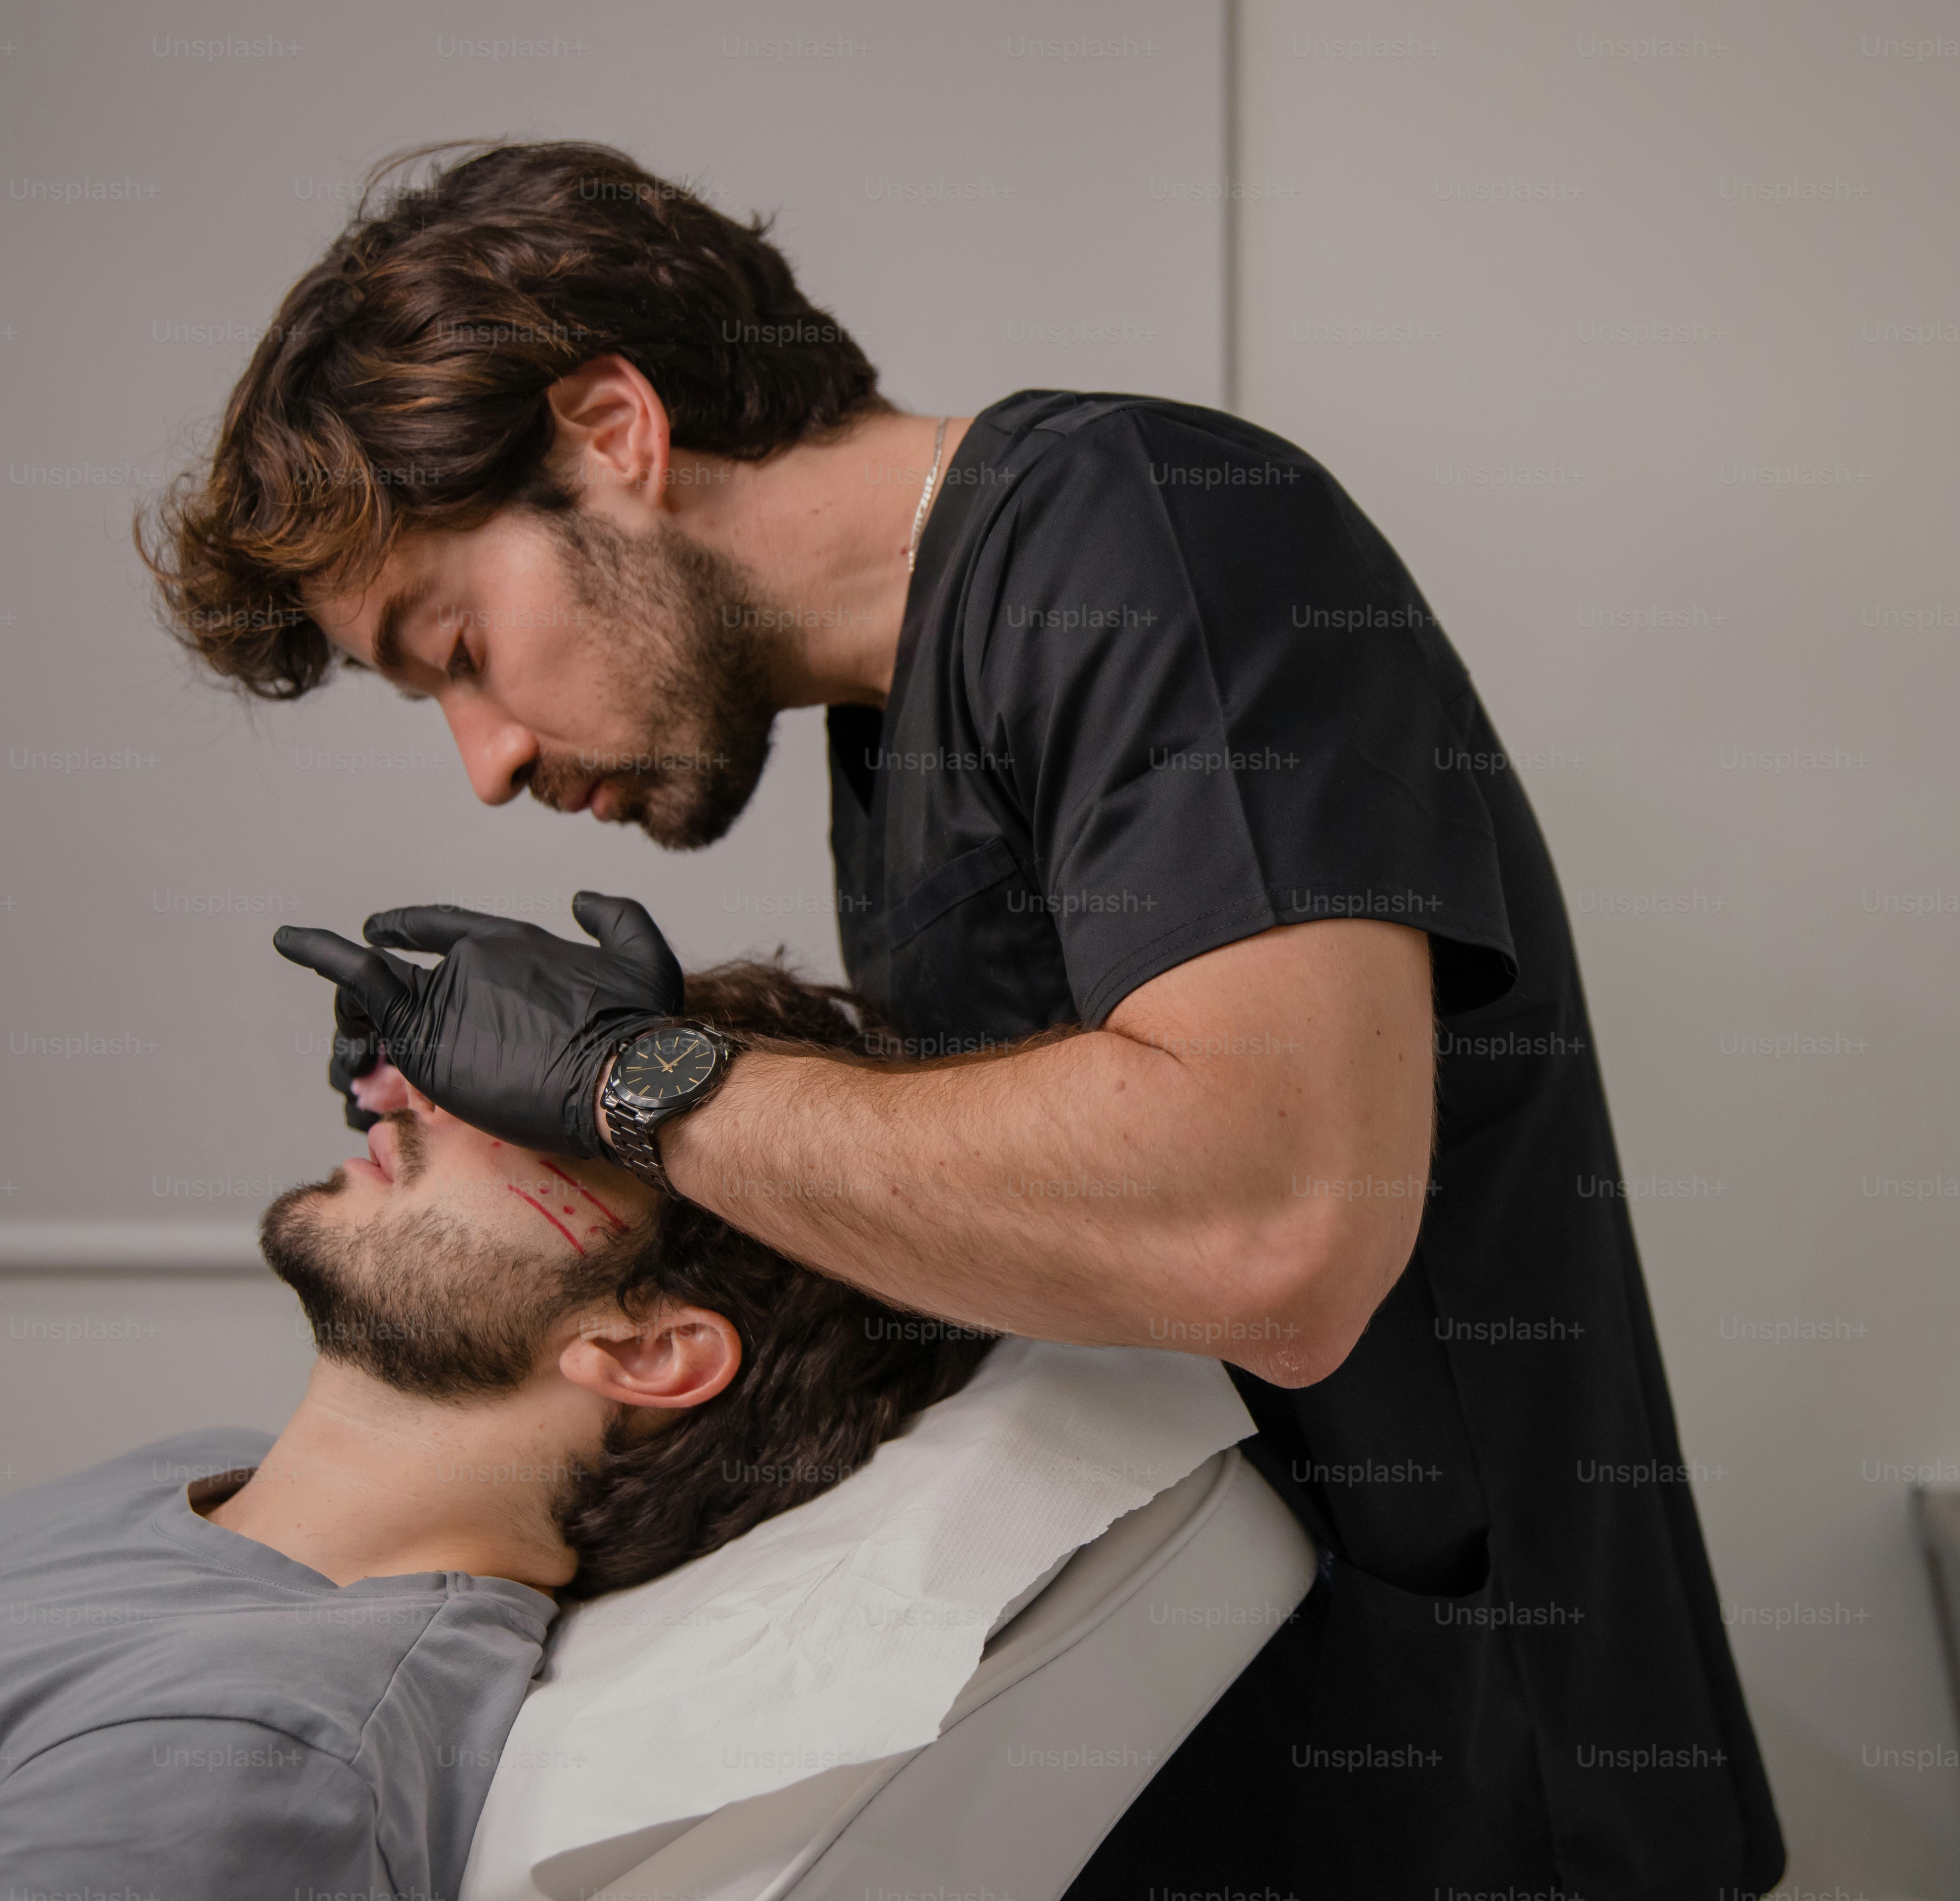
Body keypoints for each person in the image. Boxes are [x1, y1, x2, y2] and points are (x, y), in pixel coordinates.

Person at [145, 140, 1785, 1899]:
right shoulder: (887, 731)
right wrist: (581, 1106)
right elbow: (1040, 1193)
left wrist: (643, 1080)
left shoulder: (1158, 534)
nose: (487, 764)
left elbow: (1270, 1229)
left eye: (458, 649)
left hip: (1496, 1788)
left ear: (613, 430)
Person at [0, 959, 989, 1901]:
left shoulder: (255, 1748)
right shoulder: (190, 1474)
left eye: (548, 1112)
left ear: (647, 1350)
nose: (405, 1088)